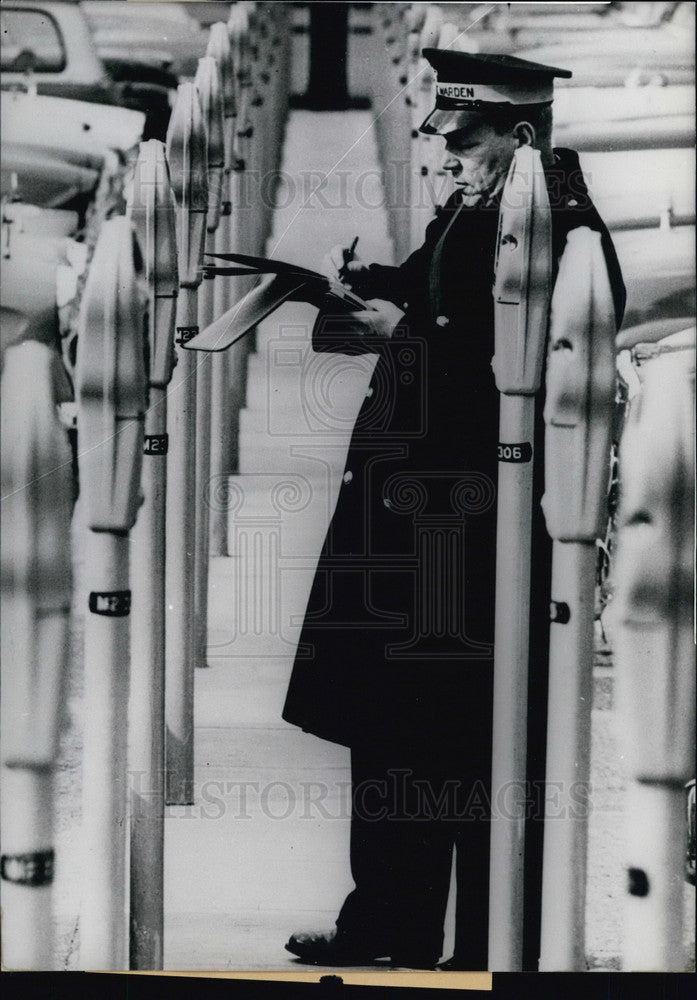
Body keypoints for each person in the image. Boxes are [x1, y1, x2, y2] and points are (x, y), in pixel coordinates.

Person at [282, 50, 626, 970]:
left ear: (518, 135)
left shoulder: (555, 231)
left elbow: (514, 392)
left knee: (470, 744)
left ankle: (487, 937)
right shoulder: (491, 207)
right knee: (399, 734)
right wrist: (380, 287)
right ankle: (389, 919)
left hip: (473, 539)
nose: (447, 157)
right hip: (422, 523)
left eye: (462, 141)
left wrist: (403, 342)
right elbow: (451, 299)